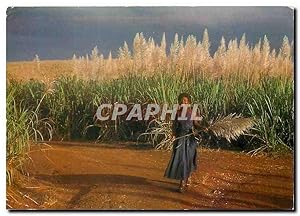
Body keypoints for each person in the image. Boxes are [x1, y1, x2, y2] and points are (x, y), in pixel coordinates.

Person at [164, 93, 202, 193]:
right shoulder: (177, 112)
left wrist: (203, 128)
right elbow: (174, 125)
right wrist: (173, 135)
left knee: (188, 159)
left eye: (185, 100)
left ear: (189, 102)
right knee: (181, 160)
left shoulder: (193, 111)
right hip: (180, 138)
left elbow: (196, 124)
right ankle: (182, 182)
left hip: (190, 138)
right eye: (182, 101)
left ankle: (187, 177)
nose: (184, 102)